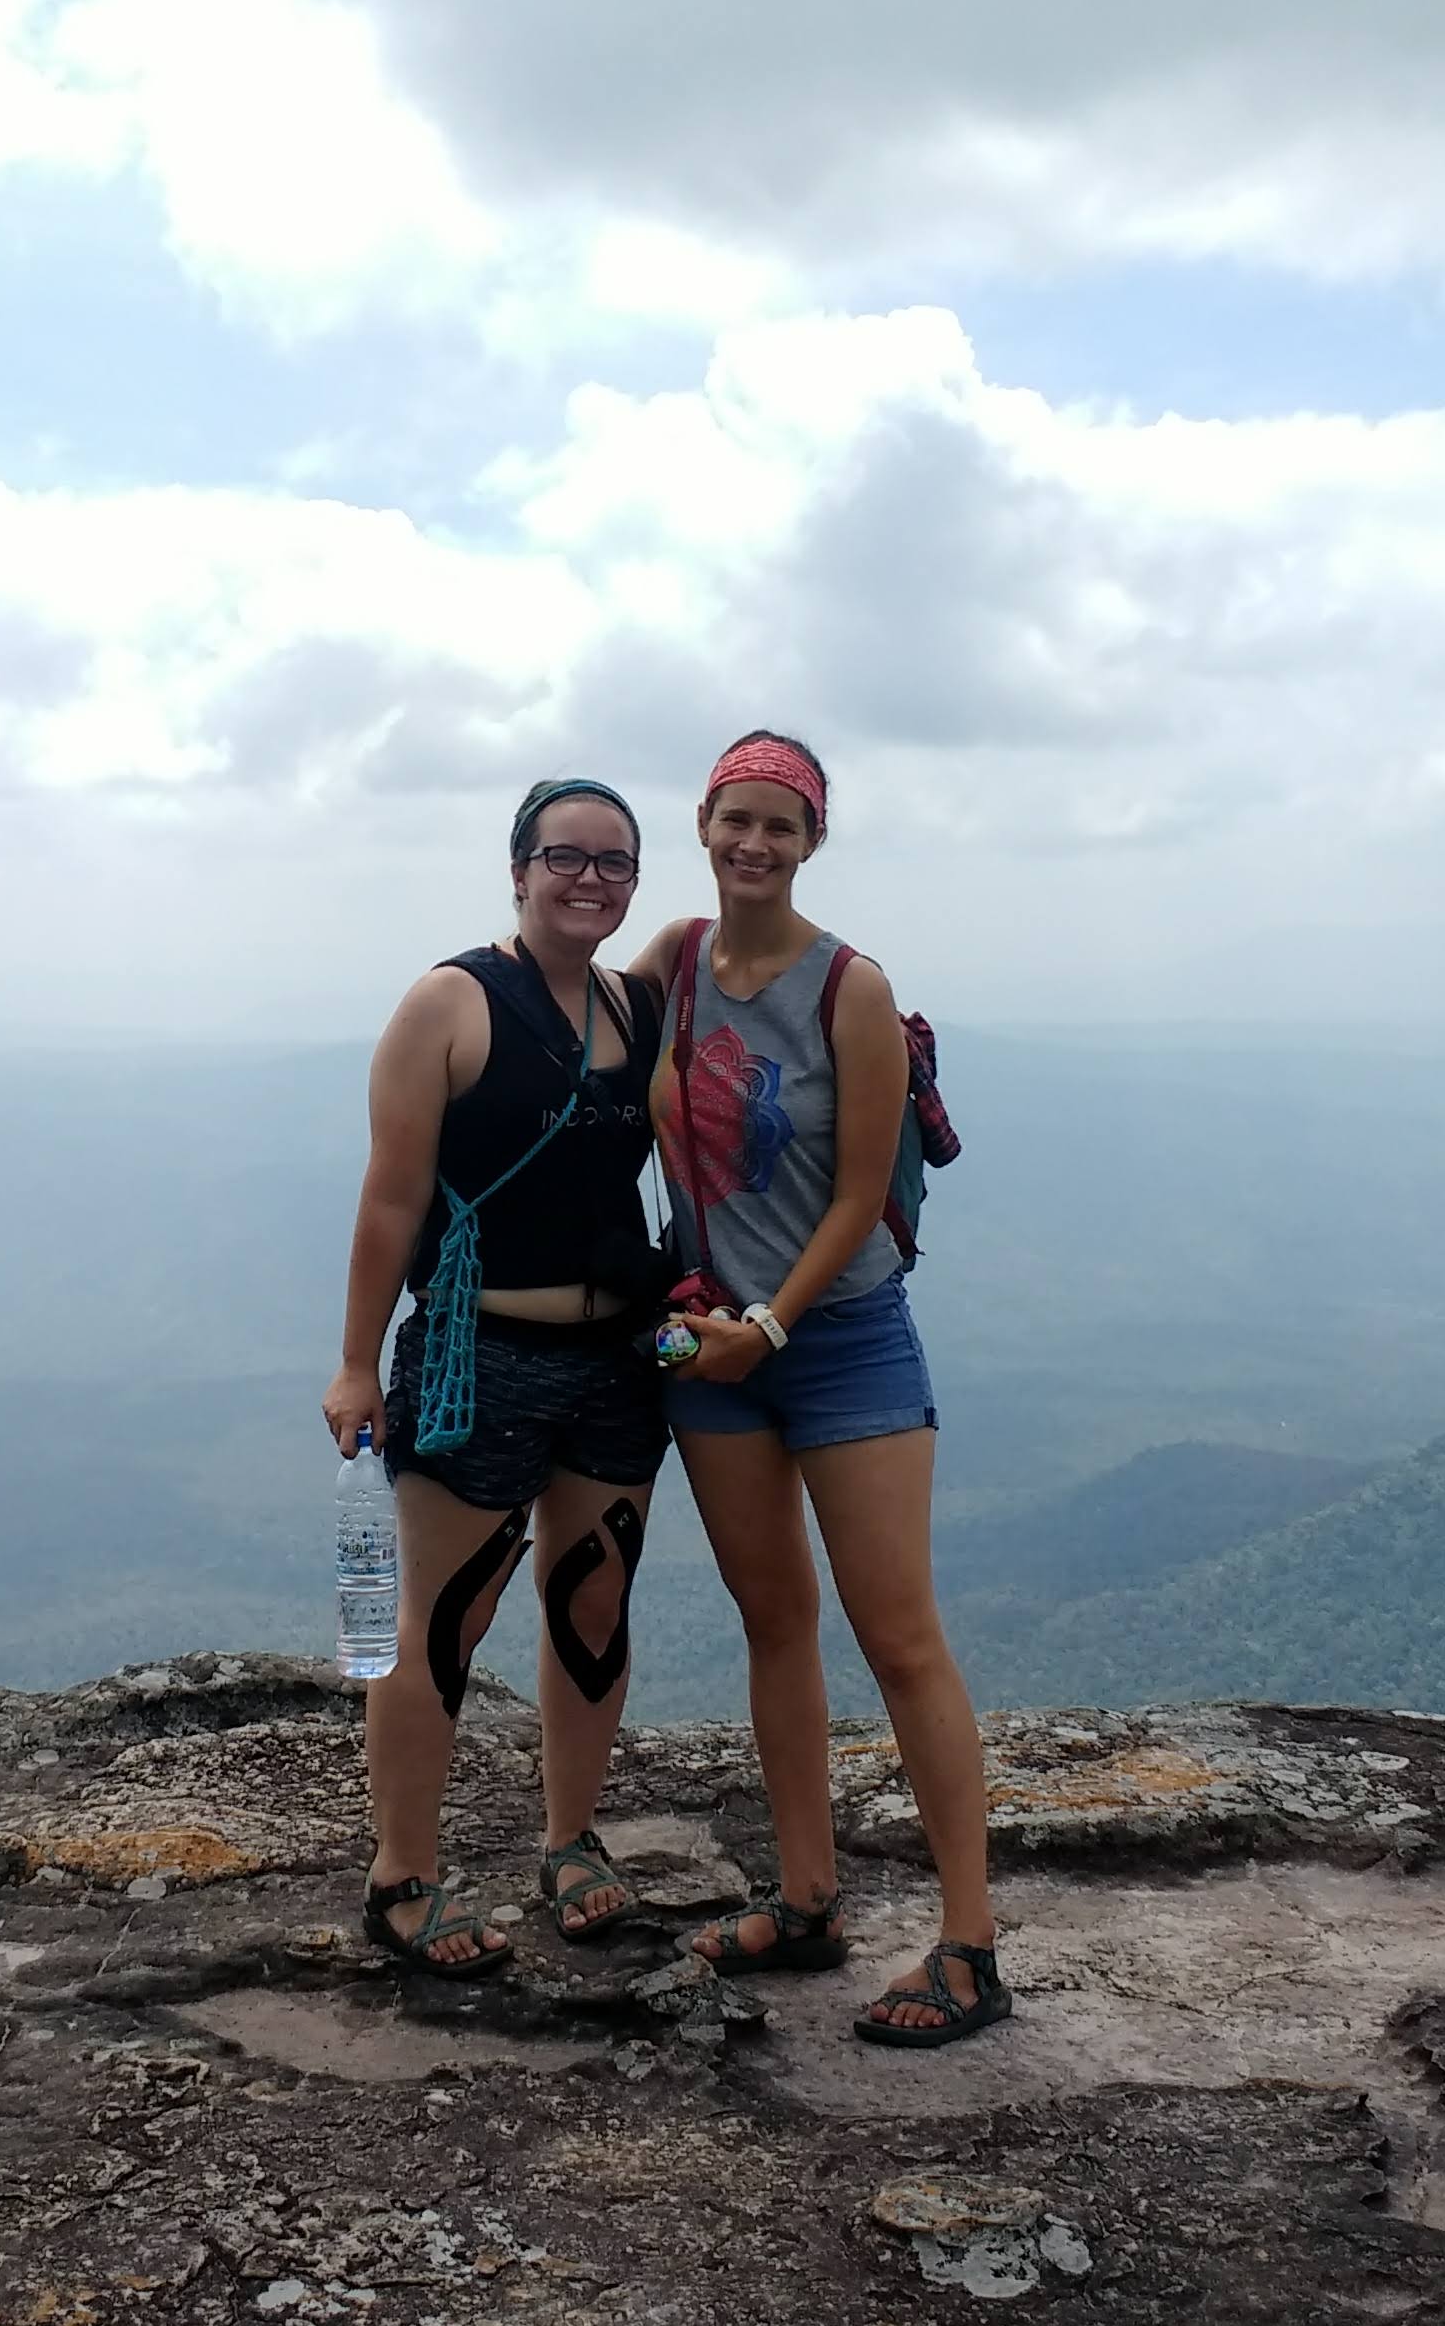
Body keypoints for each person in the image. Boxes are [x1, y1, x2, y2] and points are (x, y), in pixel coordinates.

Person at [645, 730, 1007, 2046]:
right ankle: (806, 1901)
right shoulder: (674, 963)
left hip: (838, 1335)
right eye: (735, 820)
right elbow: (580, 1046)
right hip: (709, 1347)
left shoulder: (849, 988)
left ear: (808, 843)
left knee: (898, 1636)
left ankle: (969, 1948)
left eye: (779, 826)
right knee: (774, 1621)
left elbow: (859, 1194)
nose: (753, 844)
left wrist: (771, 1326)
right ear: (703, 823)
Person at [320, 778, 672, 1976]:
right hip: (479, 1354)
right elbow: (389, 1199)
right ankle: (401, 1878)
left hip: (617, 1356)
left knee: (591, 1601)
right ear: (517, 870)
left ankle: (571, 1842)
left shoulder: (636, 1006)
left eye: (613, 862)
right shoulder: (451, 1003)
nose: (588, 880)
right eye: (564, 857)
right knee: (447, 1616)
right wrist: (356, 1363)